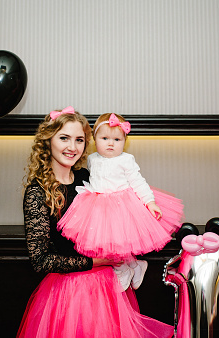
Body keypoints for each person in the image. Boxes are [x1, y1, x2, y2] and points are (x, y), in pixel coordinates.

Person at [17, 107, 174, 338]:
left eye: (79, 140)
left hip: (107, 289)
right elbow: (40, 260)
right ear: (48, 140)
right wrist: (97, 261)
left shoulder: (89, 178)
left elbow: (125, 205)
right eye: (64, 138)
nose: (72, 147)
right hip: (67, 294)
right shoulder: (37, 193)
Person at [58, 113, 184, 291]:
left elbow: (138, 181)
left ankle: (125, 268)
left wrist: (150, 202)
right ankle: (132, 266)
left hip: (121, 205)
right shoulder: (92, 159)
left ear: (124, 141)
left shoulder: (126, 160)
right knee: (107, 243)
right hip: (97, 206)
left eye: (117, 139)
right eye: (105, 138)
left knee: (121, 241)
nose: (111, 143)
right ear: (94, 139)